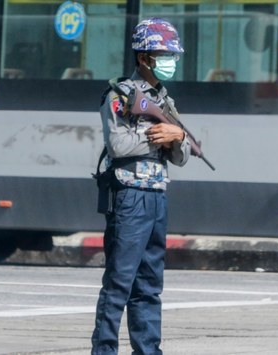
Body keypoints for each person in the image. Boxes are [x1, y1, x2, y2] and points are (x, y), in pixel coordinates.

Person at [91, 17, 190, 355]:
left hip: (156, 197)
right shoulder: (121, 94)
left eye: (172, 56)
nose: (169, 62)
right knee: (119, 284)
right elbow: (118, 145)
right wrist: (158, 138)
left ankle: (148, 351)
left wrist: (176, 137)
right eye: (163, 54)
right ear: (143, 57)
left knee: (149, 285)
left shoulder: (165, 100)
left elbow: (182, 155)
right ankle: (104, 351)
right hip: (129, 197)